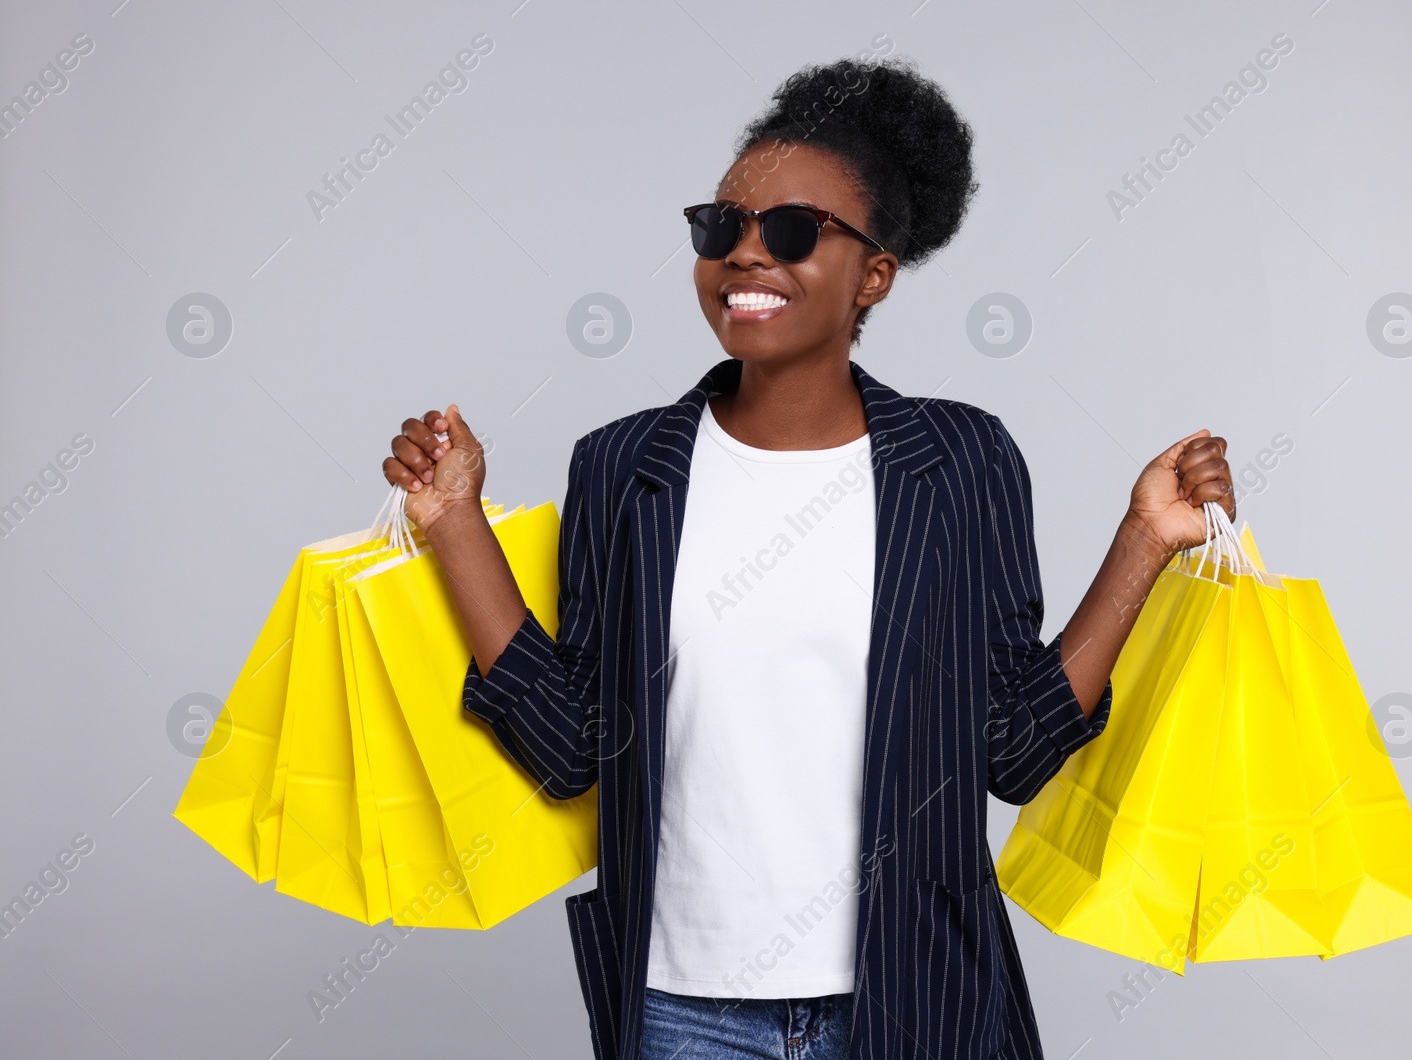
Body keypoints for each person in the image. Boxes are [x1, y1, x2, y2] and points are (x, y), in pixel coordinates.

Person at [381, 57, 1235, 1060]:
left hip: (917, 999)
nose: (746, 254)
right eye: (721, 226)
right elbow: (575, 748)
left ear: (873, 272)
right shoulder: (623, 465)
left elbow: (1011, 747)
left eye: (789, 230)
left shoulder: (959, 461)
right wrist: (453, 524)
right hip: (678, 1011)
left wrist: (1141, 541)